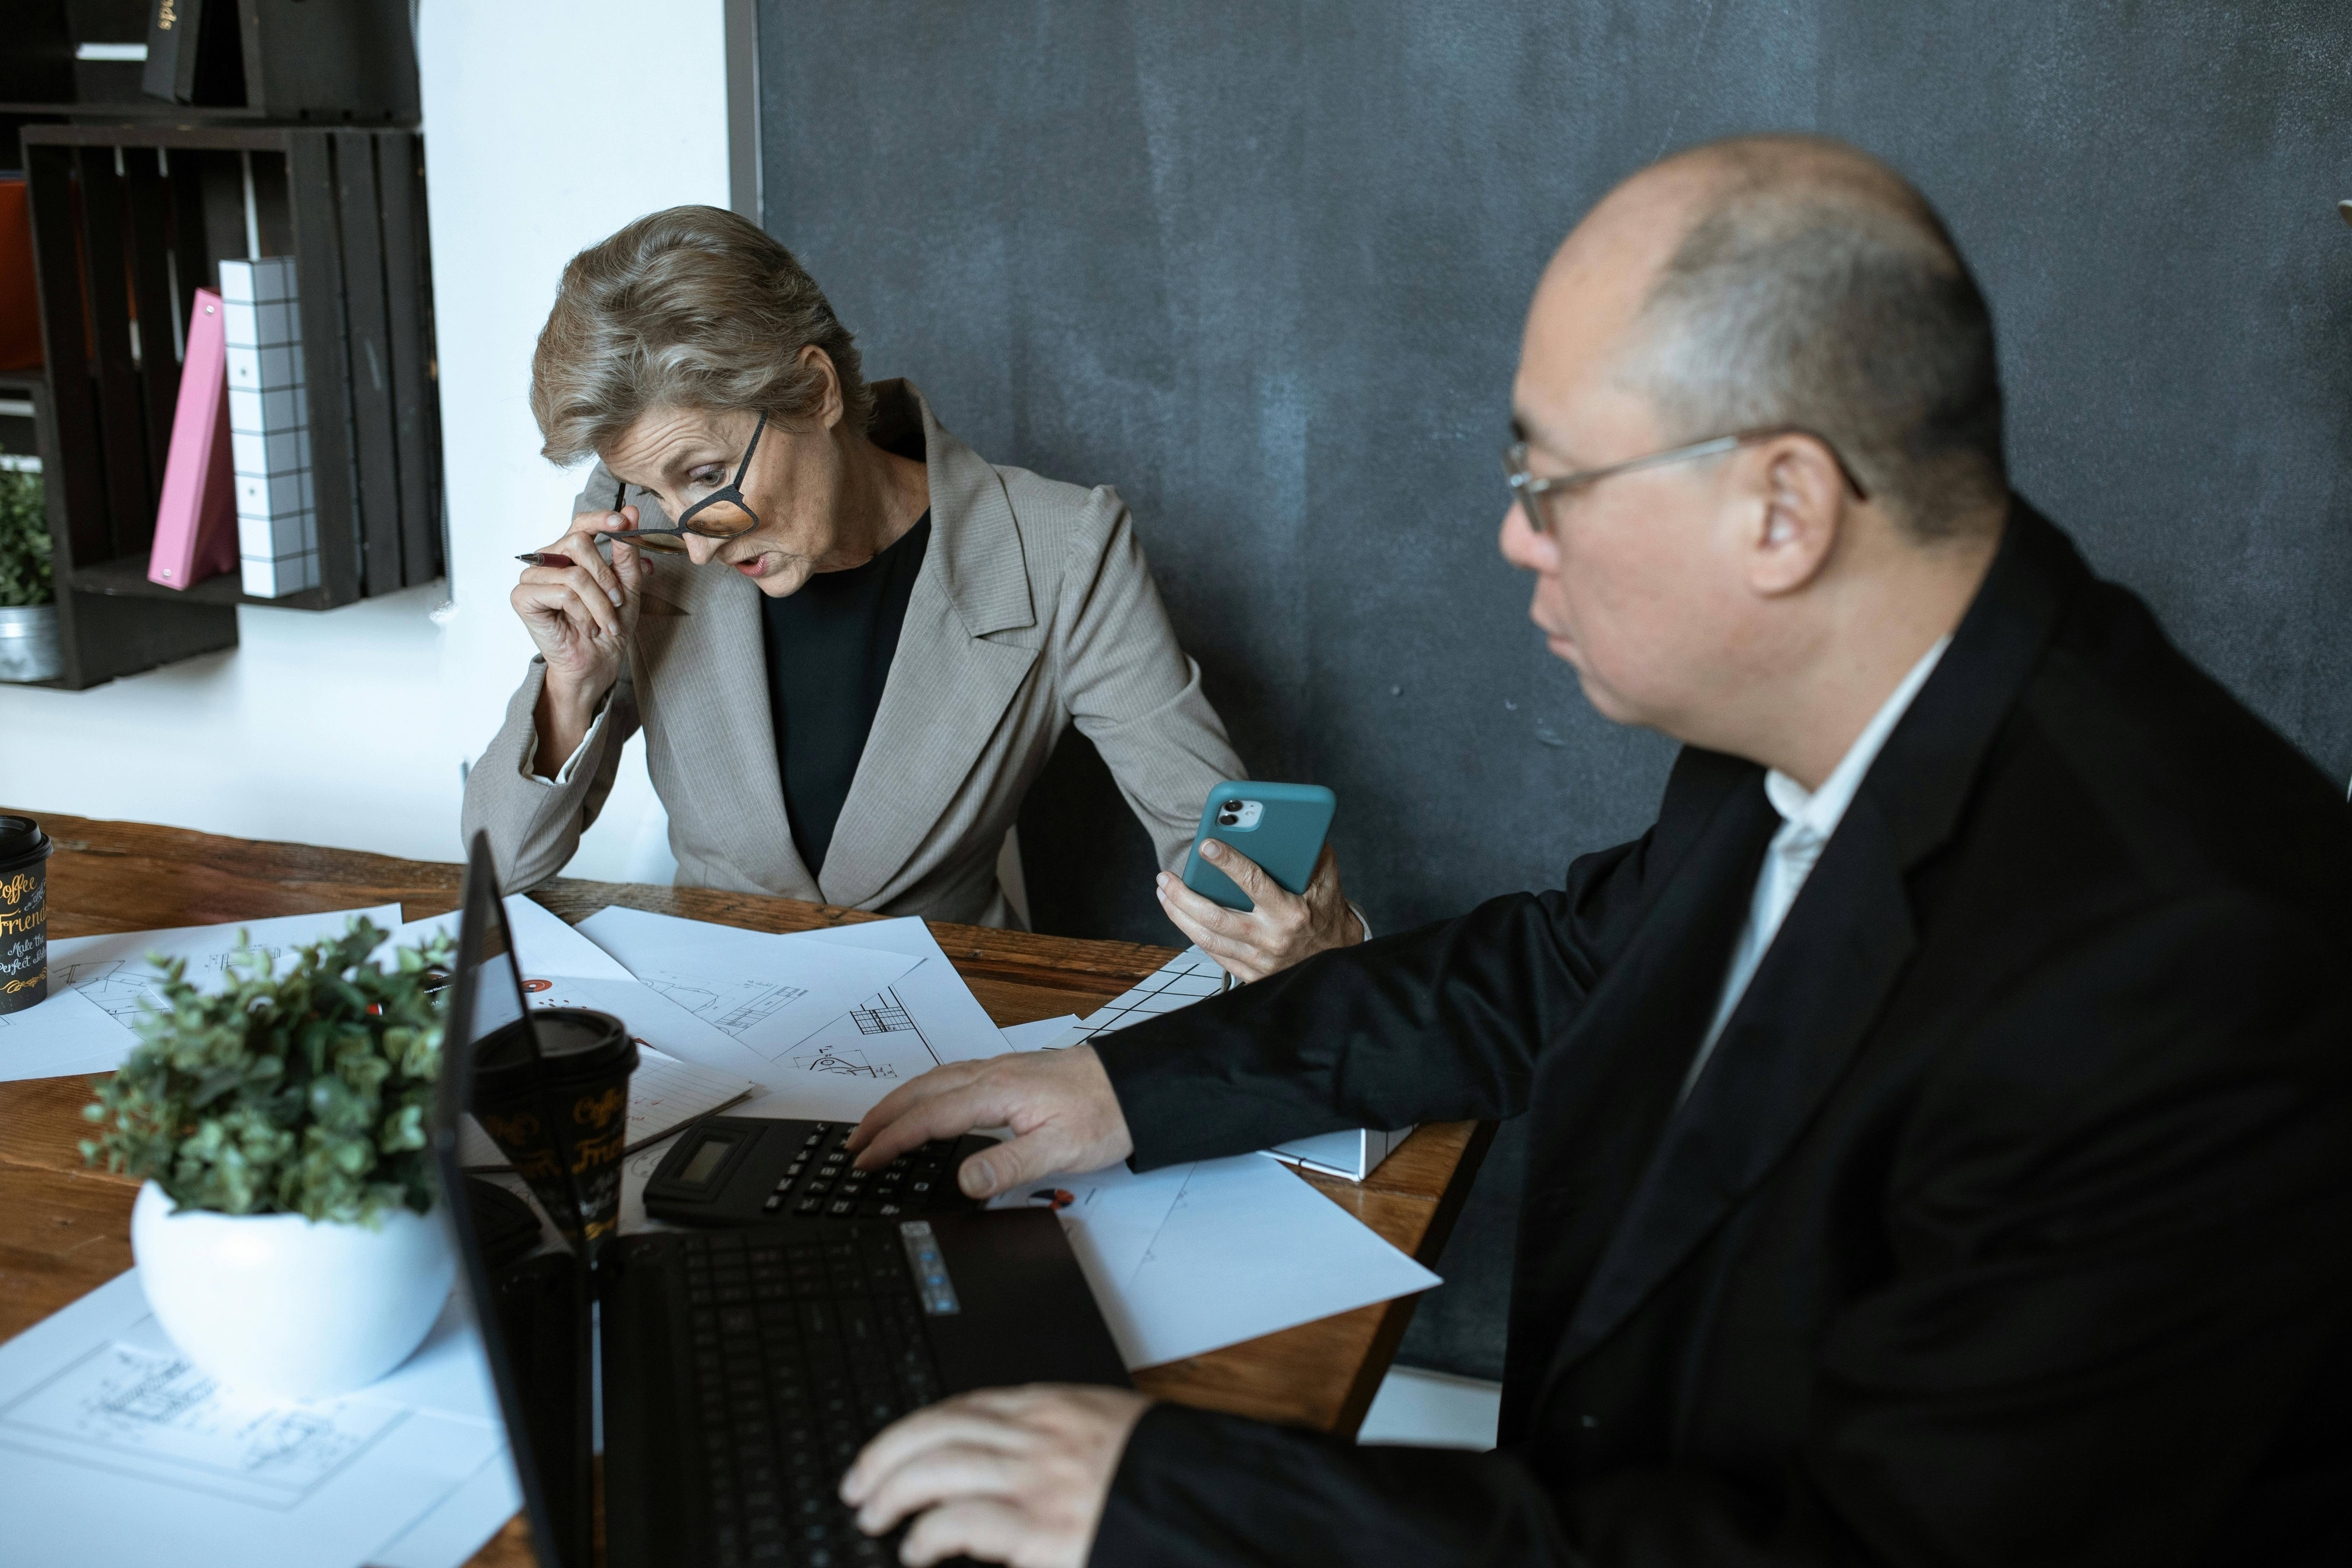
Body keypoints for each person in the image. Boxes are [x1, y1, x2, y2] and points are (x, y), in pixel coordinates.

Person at [831, 135, 2352, 1567]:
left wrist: (1178, 1500)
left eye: (1548, 485)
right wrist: (1123, 1084)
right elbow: (1560, 966)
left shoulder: (2183, 967)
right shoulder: (1827, 711)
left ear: (1781, 508)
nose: (1516, 539)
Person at [459, 206, 1362, 974]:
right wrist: (569, 687)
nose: (688, 543)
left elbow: (1224, 861)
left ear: (814, 392)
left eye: (703, 474)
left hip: (963, 1021)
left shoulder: (1060, 546)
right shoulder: (638, 524)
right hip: (705, 1017)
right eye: (655, 492)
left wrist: (1304, 940)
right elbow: (497, 874)